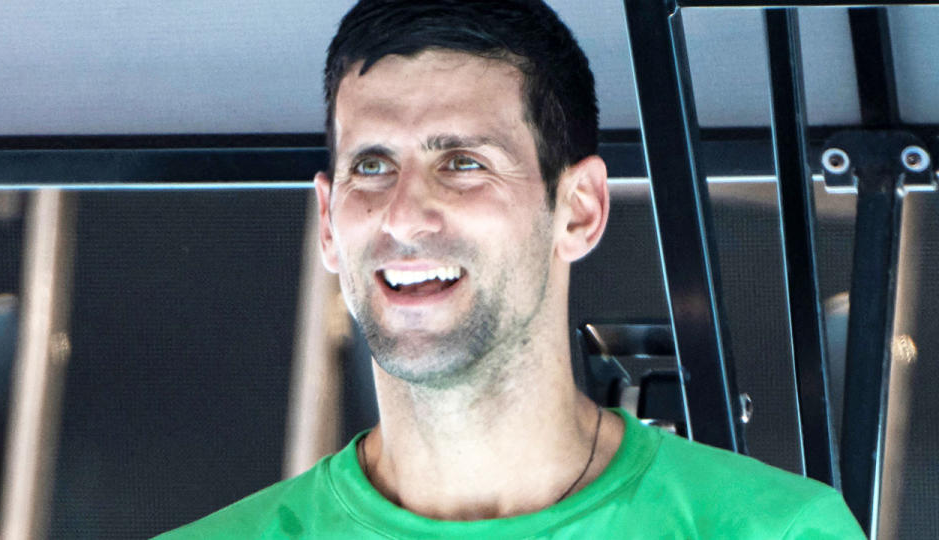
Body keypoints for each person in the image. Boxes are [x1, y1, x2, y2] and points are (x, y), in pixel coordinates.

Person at [157, 1, 865, 537]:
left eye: (462, 163)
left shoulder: (775, 530)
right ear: (328, 222)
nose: (404, 216)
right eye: (371, 166)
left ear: (579, 209)